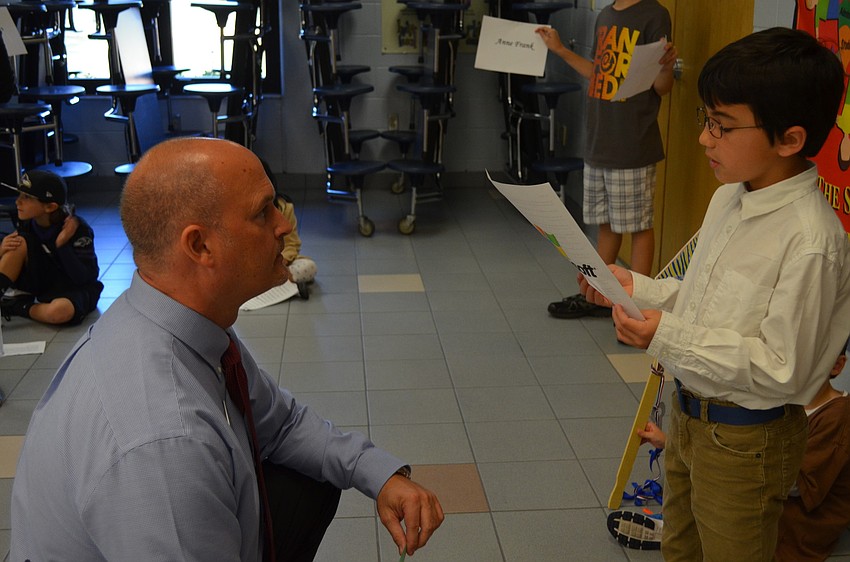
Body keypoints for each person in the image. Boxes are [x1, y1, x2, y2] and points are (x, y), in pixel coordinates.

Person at [10, 137, 444, 561]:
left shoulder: (178, 320)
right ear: (200, 246)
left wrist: (379, 473)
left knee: (310, 479)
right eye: (263, 212)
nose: (284, 225)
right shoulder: (165, 442)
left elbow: (282, 423)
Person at [580, 28, 850, 561]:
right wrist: (641, 288)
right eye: (706, 119)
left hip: (747, 441)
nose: (705, 138)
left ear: (789, 140)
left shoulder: (811, 241)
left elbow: (783, 369)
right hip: (689, 418)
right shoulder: (729, 197)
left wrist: (666, 334)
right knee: (681, 549)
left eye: (722, 126)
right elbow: (705, 295)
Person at [613, 337, 850, 560]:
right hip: (761, 493)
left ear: (837, 365)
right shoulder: (788, 401)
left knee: (723, 510)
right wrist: (672, 442)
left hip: (794, 525)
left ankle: (681, 530)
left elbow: (795, 485)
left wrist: (733, 461)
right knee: (704, 496)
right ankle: (686, 528)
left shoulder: (839, 416)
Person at [535, 0, 678, 319]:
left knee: (639, 225)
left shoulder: (654, 15)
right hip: (600, 139)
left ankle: (638, 307)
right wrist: (560, 50)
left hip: (632, 142)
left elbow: (661, 86)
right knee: (607, 223)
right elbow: (598, 74)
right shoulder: (606, 15)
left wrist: (667, 67)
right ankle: (599, 293)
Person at [0, 169, 103, 325]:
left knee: (59, 312)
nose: (17, 202)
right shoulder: (27, 223)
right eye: (19, 195)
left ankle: (16, 306)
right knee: (15, 243)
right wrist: (2, 250)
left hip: (74, 288)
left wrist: (62, 245)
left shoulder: (77, 229)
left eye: (26, 197)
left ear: (50, 207)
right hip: (44, 283)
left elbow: (83, 278)